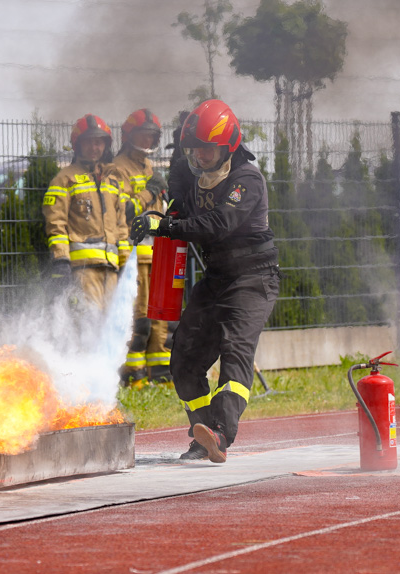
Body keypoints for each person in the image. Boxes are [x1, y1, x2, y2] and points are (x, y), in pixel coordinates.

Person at [130, 99, 280, 463]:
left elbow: (217, 225)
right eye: (194, 151)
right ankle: (202, 434)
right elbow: (182, 210)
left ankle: (222, 432)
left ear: (228, 146)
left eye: (208, 151)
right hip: (217, 277)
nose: (200, 159)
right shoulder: (189, 171)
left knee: (235, 352)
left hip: (252, 278)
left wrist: (164, 225)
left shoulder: (247, 180)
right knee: (184, 356)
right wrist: (161, 214)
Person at [42, 113, 128, 310]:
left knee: (112, 329)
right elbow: (56, 223)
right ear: (78, 145)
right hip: (83, 270)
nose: (94, 147)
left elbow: (121, 227)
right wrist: (61, 260)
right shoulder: (65, 179)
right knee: (88, 327)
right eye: (89, 142)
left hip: (112, 270)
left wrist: (125, 263)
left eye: (99, 142)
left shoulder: (113, 181)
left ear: (105, 145)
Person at [113, 109, 173, 388]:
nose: (148, 140)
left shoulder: (149, 168)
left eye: (152, 135)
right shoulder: (118, 168)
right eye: (143, 134)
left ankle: (160, 372)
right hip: (133, 251)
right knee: (138, 315)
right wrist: (150, 191)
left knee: (161, 312)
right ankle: (133, 374)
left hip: (157, 249)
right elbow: (123, 211)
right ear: (129, 137)